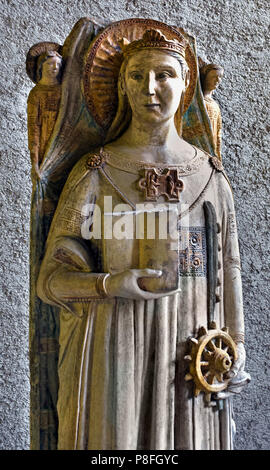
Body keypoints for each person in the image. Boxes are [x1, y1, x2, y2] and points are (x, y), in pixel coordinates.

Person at [37, 28, 248, 450]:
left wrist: (236, 345)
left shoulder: (209, 177)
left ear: (186, 84)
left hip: (192, 353)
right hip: (114, 349)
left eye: (164, 75)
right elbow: (51, 280)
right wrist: (109, 284)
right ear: (120, 84)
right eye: (136, 76)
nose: (149, 89)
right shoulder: (95, 171)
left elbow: (228, 265)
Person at [27, 51, 62, 179]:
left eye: (58, 64)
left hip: (61, 143)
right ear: (41, 66)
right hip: (43, 144)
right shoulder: (36, 93)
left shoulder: (63, 91)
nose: (55, 67)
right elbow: (33, 126)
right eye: (50, 64)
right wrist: (34, 163)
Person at [200, 63, 224, 161]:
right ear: (205, 78)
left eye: (220, 77)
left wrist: (218, 155)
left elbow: (218, 131)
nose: (217, 80)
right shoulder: (198, 102)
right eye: (214, 77)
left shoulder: (215, 105)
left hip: (212, 152)